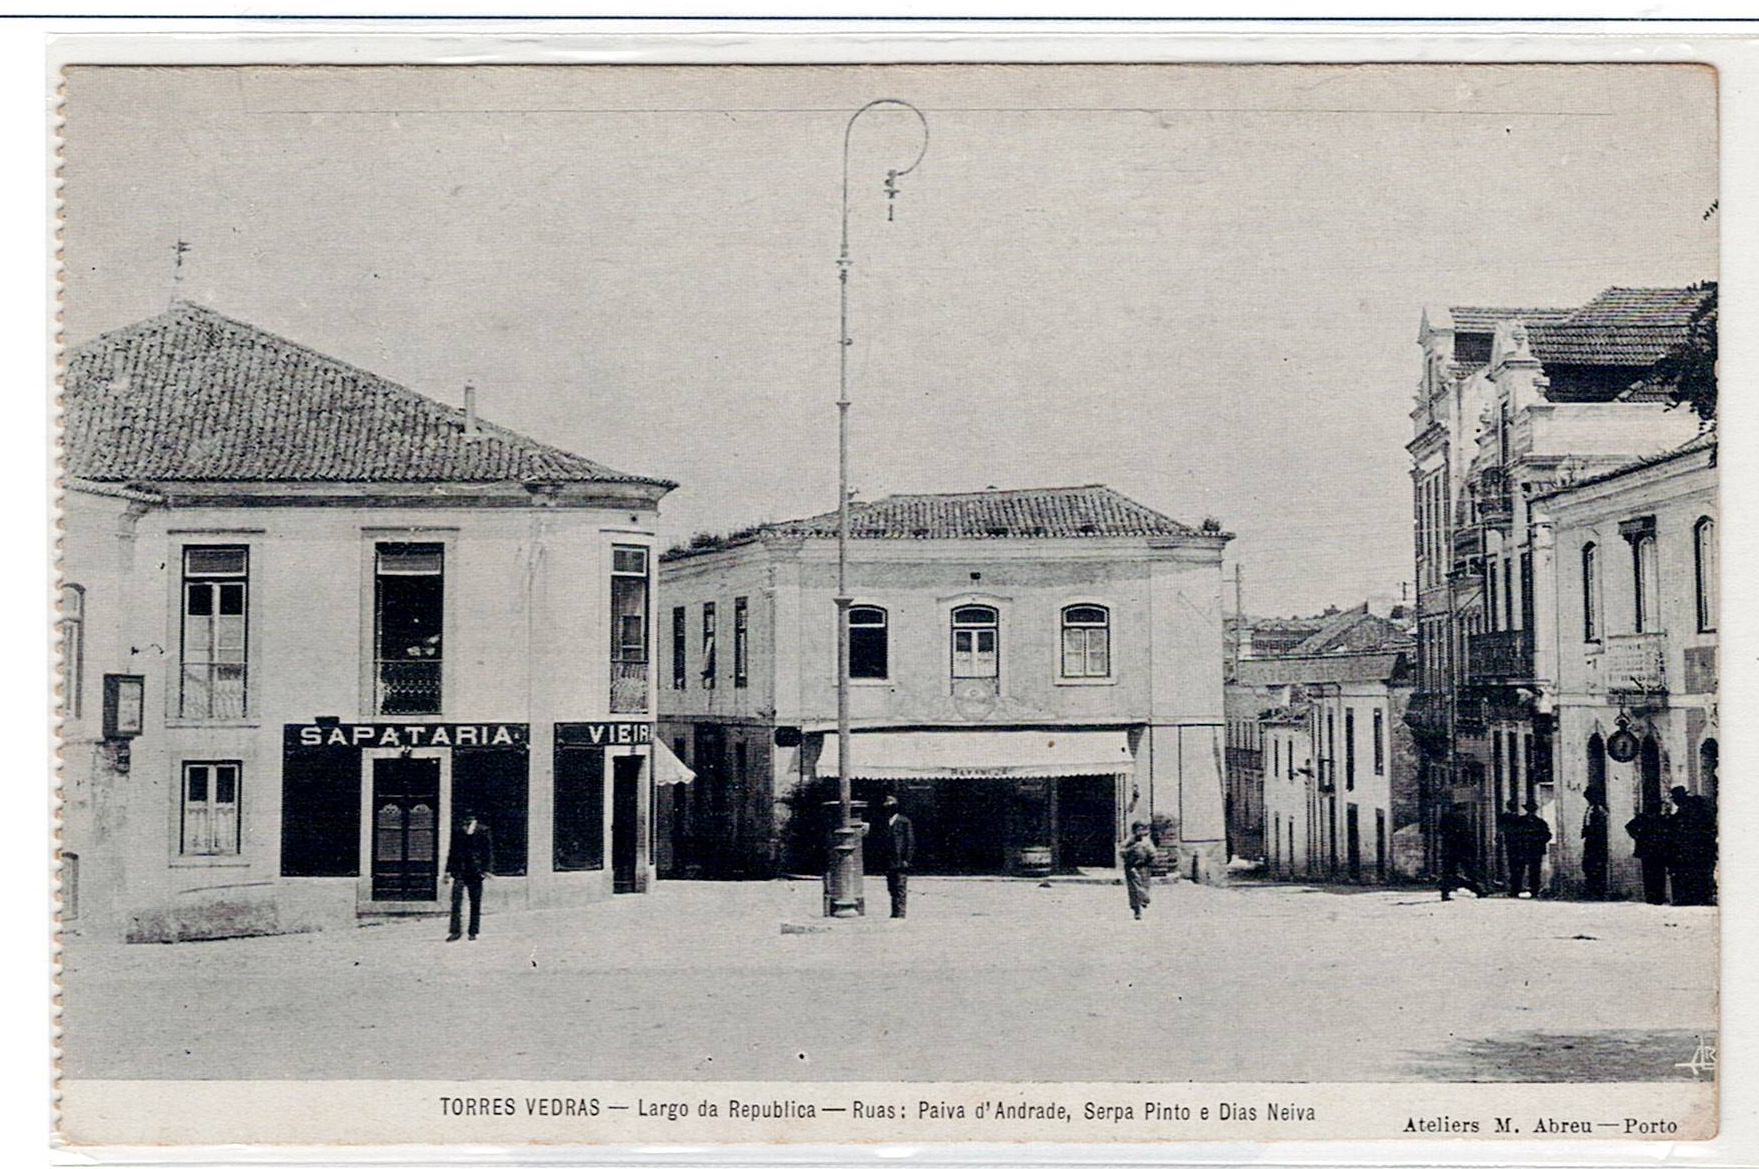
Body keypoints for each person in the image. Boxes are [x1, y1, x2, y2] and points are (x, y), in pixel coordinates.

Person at [445, 810, 494, 941]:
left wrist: (486, 869)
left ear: (474, 818)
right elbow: (452, 851)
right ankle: (455, 931)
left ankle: (473, 931)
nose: (466, 821)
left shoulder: (483, 830)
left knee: (475, 901)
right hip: (460, 870)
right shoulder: (457, 830)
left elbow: (487, 851)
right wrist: (448, 871)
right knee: (456, 901)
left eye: (469, 818)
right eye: (465, 818)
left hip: (476, 871)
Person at [1668, 785, 1717, 906]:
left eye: (1675, 798)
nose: (1674, 801)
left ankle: (1691, 898)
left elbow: (1682, 827)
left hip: (1692, 848)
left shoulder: (1687, 809)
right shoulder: (1693, 806)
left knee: (1690, 872)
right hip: (1700, 847)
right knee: (1698, 872)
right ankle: (1701, 897)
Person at [871, 795, 914, 919]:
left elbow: (910, 842)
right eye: (887, 807)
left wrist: (907, 859)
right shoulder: (884, 822)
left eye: (892, 807)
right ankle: (894, 911)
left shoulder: (904, 821)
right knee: (891, 887)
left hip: (900, 860)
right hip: (889, 860)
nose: (889, 810)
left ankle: (900, 912)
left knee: (900, 885)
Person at [1625, 804, 1672, 905]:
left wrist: (1638, 837)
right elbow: (1629, 827)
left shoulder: (1645, 818)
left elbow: (1629, 827)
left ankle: (1654, 897)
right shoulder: (1654, 818)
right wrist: (1638, 837)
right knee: (1656, 875)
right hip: (1654, 851)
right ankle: (1656, 897)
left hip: (1652, 851)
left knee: (1651, 875)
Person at [1437, 805, 1484, 901]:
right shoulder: (1462, 818)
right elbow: (1465, 834)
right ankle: (1478, 890)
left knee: (1448, 872)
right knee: (1470, 871)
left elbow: (1441, 832)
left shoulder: (1445, 817)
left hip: (1448, 849)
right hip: (1462, 849)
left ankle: (1445, 893)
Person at [1516, 801, 1552, 899]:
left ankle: (1534, 890)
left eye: (1532, 810)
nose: (1530, 812)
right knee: (1519, 870)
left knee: (1535, 871)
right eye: (1529, 810)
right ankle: (1516, 889)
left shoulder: (1540, 822)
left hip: (1535, 850)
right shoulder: (1520, 821)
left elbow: (1547, 835)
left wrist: (1538, 841)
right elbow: (1515, 834)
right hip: (1522, 849)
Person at [1122, 821, 1157, 920]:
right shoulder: (1129, 841)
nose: (1140, 832)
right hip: (1132, 867)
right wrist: (1132, 849)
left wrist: (1150, 861)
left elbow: (1153, 853)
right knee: (1134, 888)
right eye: (1138, 830)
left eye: (1142, 830)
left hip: (1144, 867)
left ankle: (1143, 898)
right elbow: (1121, 852)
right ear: (1134, 831)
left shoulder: (1146, 842)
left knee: (1145, 885)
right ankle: (1137, 910)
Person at [1581, 795, 1610, 900]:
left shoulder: (1600, 810)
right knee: (1588, 866)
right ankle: (1591, 890)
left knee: (1597, 866)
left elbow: (1600, 826)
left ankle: (1598, 891)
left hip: (1597, 842)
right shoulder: (1589, 808)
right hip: (1589, 841)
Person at [1499, 798, 1529, 897]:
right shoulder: (1518, 818)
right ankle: (1516, 888)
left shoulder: (1506, 817)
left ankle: (1515, 888)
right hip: (1515, 846)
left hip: (1513, 846)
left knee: (1515, 867)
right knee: (1517, 868)